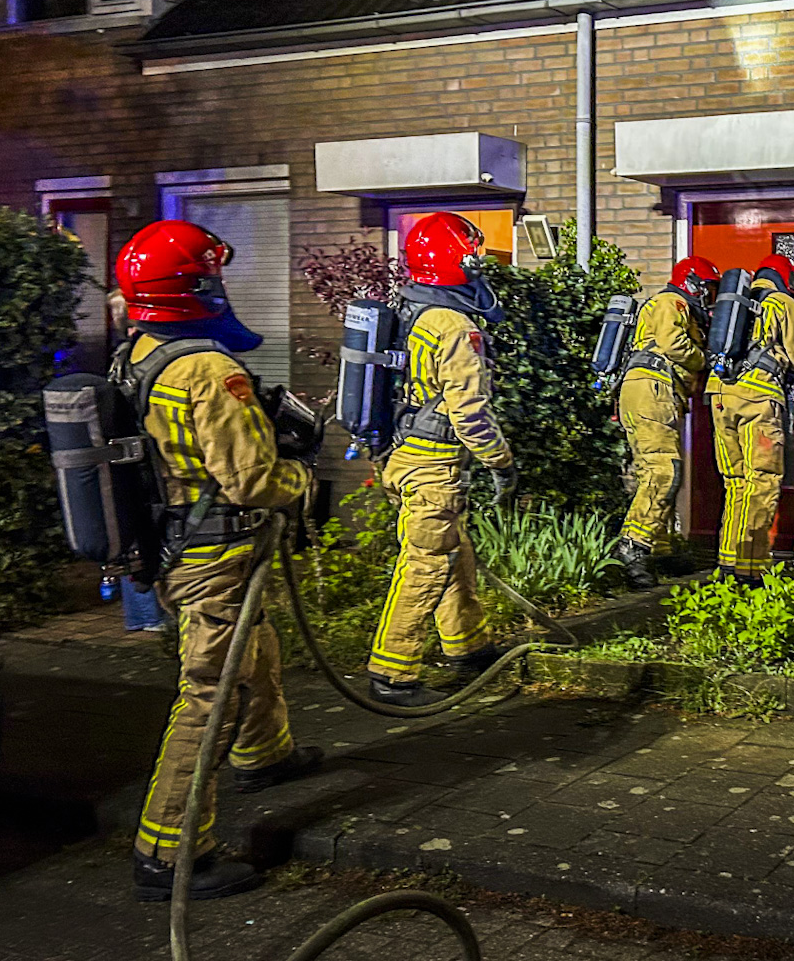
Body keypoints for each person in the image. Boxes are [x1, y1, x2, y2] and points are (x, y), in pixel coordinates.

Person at [116, 220, 321, 902]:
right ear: (197, 285)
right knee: (213, 689)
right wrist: (305, 485)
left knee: (253, 647)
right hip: (214, 554)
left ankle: (264, 755)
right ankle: (167, 850)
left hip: (181, 545)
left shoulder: (143, 352)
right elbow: (253, 480)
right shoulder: (209, 370)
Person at [365, 212, 517, 708]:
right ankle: (392, 673)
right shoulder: (453, 325)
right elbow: (469, 410)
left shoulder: (410, 308)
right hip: (433, 465)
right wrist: (501, 463)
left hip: (405, 455)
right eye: (474, 257)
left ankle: (468, 646)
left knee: (456, 555)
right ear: (461, 260)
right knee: (427, 564)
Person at [707, 254, 794, 586]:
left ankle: (728, 562)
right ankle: (751, 570)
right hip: (758, 401)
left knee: (736, 481)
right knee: (763, 481)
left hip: (720, 397)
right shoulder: (782, 303)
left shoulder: (735, 303)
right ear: (787, 279)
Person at [615, 256, 719, 589]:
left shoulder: (674, 305)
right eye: (707, 289)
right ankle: (632, 545)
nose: (709, 298)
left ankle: (660, 549)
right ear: (691, 284)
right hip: (652, 389)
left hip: (652, 390)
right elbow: (674, 344)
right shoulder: (670, 302)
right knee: (664, 471)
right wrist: (706, 359)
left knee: (656, 472)